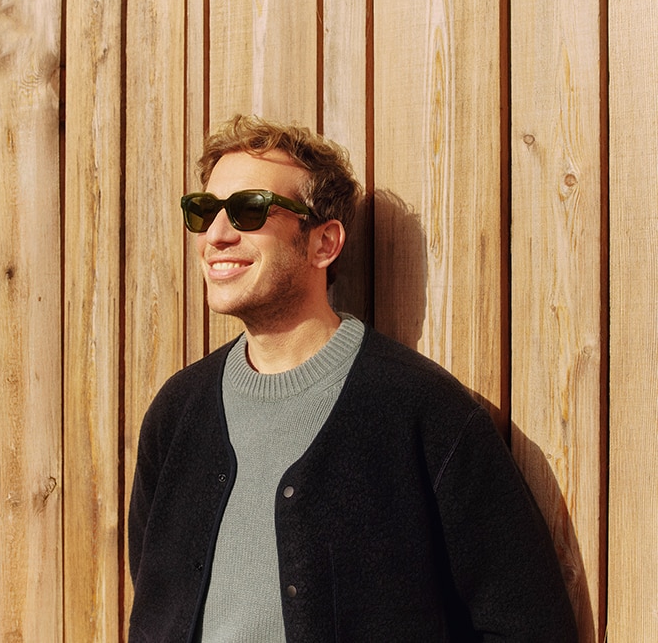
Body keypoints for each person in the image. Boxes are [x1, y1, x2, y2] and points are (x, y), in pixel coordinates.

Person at [127, 115, 577, 641]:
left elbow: (527, 624)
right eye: (204, 212)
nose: (217, 236)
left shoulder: (423, 412)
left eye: (250, 210)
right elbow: (156, 604)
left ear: (324, 243)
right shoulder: (177, 412)